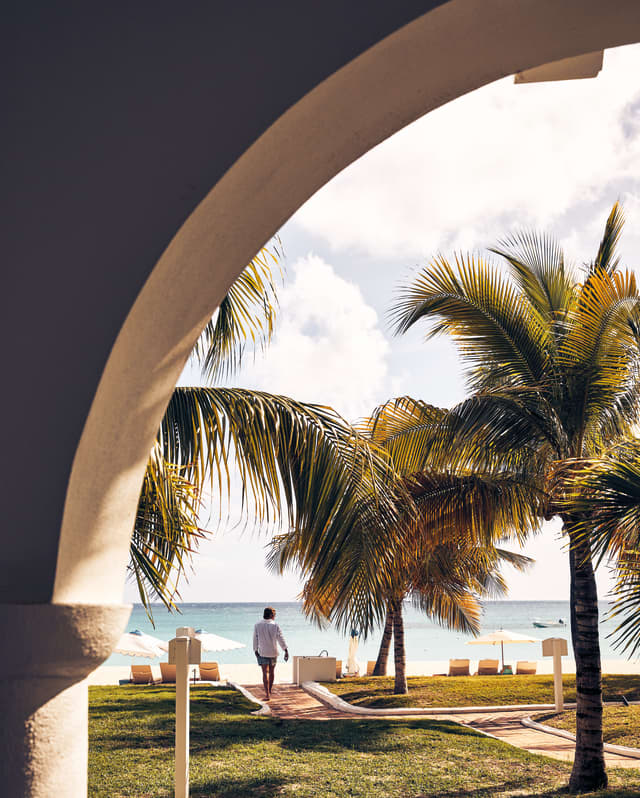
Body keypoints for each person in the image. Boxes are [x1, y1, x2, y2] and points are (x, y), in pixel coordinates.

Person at [253, 606, 289, 700]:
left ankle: (267, 694)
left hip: (262, 652)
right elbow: (280, 638)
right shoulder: (275, 625)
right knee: (272, 672)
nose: (275, 617)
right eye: (274, 615)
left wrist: (255, 650)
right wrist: (285, 650)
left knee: (265, 673)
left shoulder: (257, 625)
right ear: (271, 615)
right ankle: (269, 691)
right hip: (273, 652)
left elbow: (255, 638)